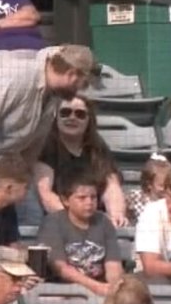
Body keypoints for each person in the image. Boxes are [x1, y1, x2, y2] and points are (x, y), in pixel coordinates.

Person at [0, 45, 94, 203]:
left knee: (31, 216)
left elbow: (34, 144)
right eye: (82, 84)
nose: (79, 90)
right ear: (72, 75)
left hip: (6, 161)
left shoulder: (54, 95)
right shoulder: (17, 76)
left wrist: (24, 176)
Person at [36, 96, 127, 228]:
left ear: (89, 120)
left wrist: (117, 214)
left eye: (80, 114)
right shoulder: (47, 146)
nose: (72, 118)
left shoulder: (97, 147)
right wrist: (76, 219)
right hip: (59, 221)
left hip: (95, 219)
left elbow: (112, 186)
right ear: (56, 117)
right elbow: (45, 194)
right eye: (65, 112)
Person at [37, 176, 123, 294]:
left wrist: (113, 288)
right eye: (82, 198)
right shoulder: (53, 223)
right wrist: (95, 287)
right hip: (62, 290)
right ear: (66, 200)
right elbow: (61, 268)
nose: (89, 202)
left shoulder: (104, 222)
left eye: (93, 197)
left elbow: (113, 266)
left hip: (100, 290)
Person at [126, 155, 171, 225]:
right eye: (162, 185)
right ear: (149, 184)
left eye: (169, 185)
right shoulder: (135, 198)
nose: (166, 189)